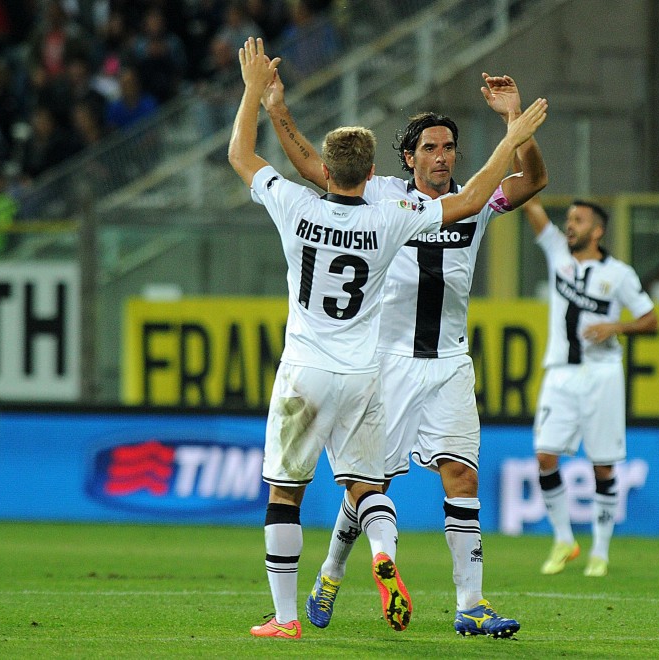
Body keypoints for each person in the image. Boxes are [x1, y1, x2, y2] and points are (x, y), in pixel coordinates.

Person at [229, 36, 547, 639]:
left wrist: (515, 125)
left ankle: (471, 604)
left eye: (451, 147)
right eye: (431, 148)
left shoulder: (469, 203)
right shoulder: (386, 200)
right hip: (385, 362)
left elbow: (531, 180)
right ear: (405, 158)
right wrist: (279, 112)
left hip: (449, 360)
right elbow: (319, 169)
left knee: (461, 475)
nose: (444, 157)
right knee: (363, 488)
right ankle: (330, 570)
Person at [521, 195, 658, 577]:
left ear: (597, 231)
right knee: (545, 455)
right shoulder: (557, 254)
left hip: (602, 373)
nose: (570, 225)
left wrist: (616, 326)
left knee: (603, 465)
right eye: (568, 219)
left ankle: (600, 550)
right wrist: (516, 142)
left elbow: (651, 321)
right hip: (561, 372)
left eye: (578, 220)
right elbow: (531, 205)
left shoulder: (619, 274)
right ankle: (565, 539)